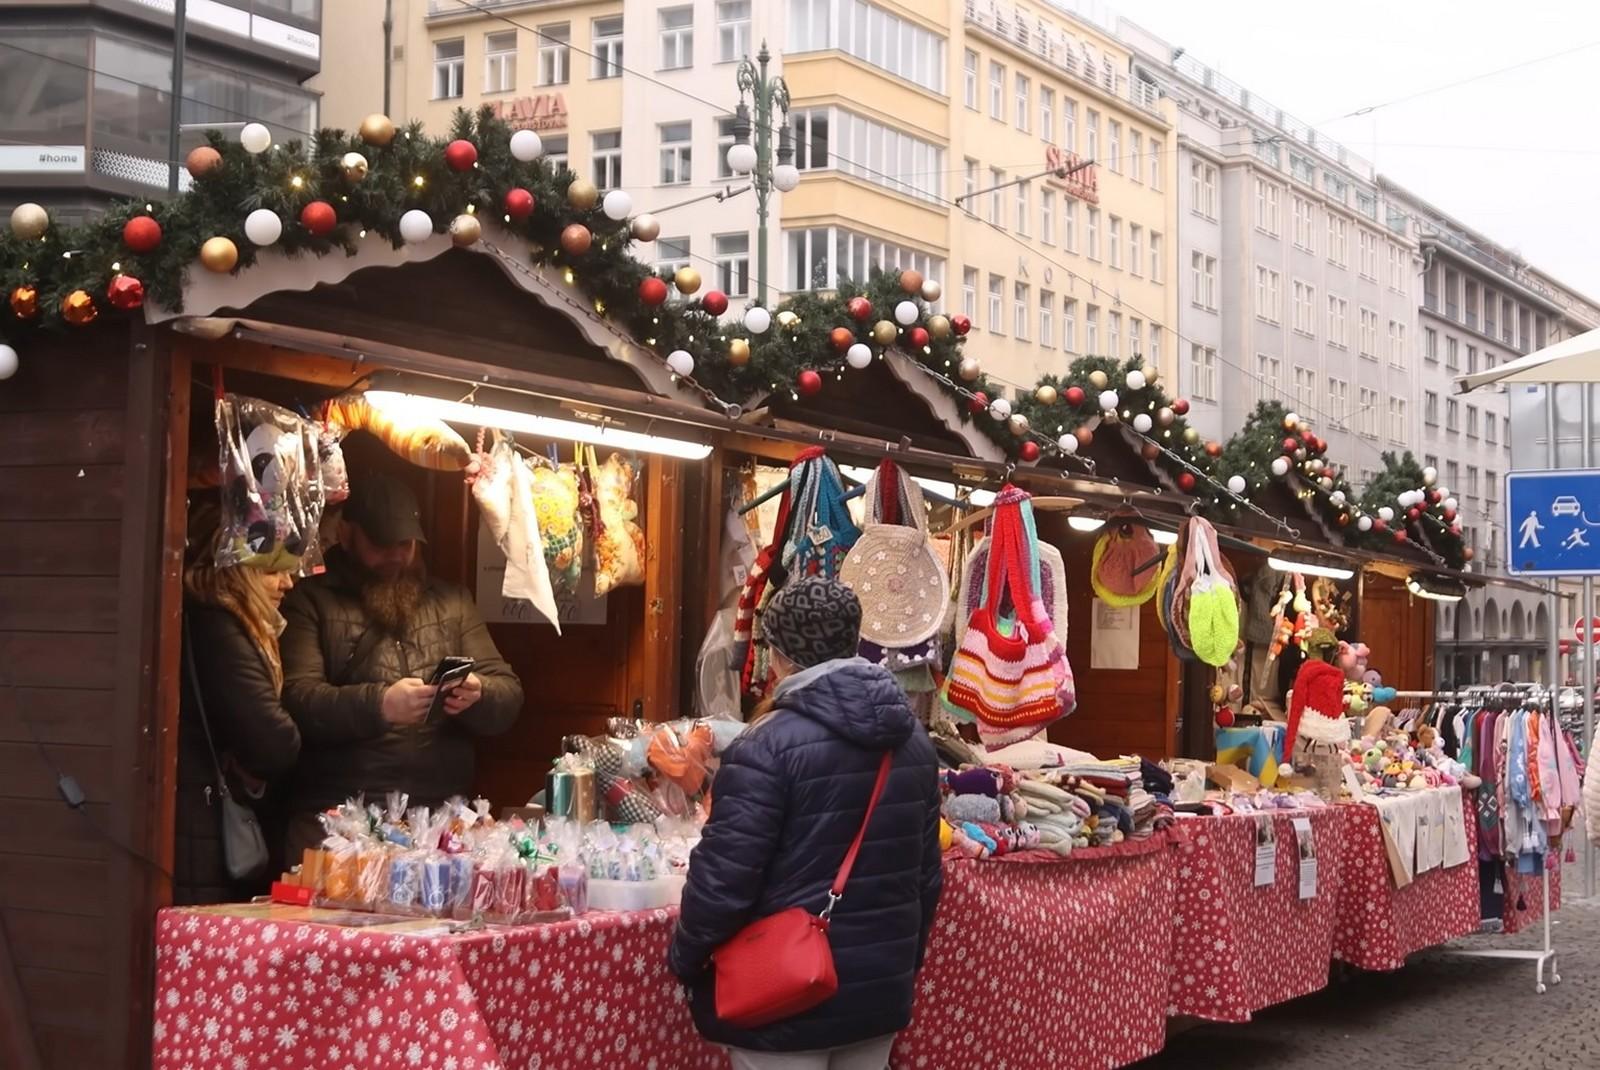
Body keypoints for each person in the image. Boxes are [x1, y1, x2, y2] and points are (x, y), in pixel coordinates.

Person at [669, 577, 943, 1070]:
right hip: (879, 990)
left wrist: (687, 959)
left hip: (784, 997)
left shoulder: (766, 746)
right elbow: (926, 879)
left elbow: (724, 881)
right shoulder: (914, 743)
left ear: (779, 655)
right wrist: (899, 965)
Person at [279, 472, 524, 860]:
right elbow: (297, 700)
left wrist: (479, 692)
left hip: (440, 823)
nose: (395, 556)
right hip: (337, 822)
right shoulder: (309, 602)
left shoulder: (453, 602)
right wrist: (380, 705)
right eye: (380, 544)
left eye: (406, 544)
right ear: (345, 534)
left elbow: (508, 695)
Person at [176, 528, 303, 904]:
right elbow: (273, 740)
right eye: (271, 572)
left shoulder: (219, 619)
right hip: (204, 821)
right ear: (240, 572)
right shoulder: (221, 626)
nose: (287, 582)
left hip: (205, 816)